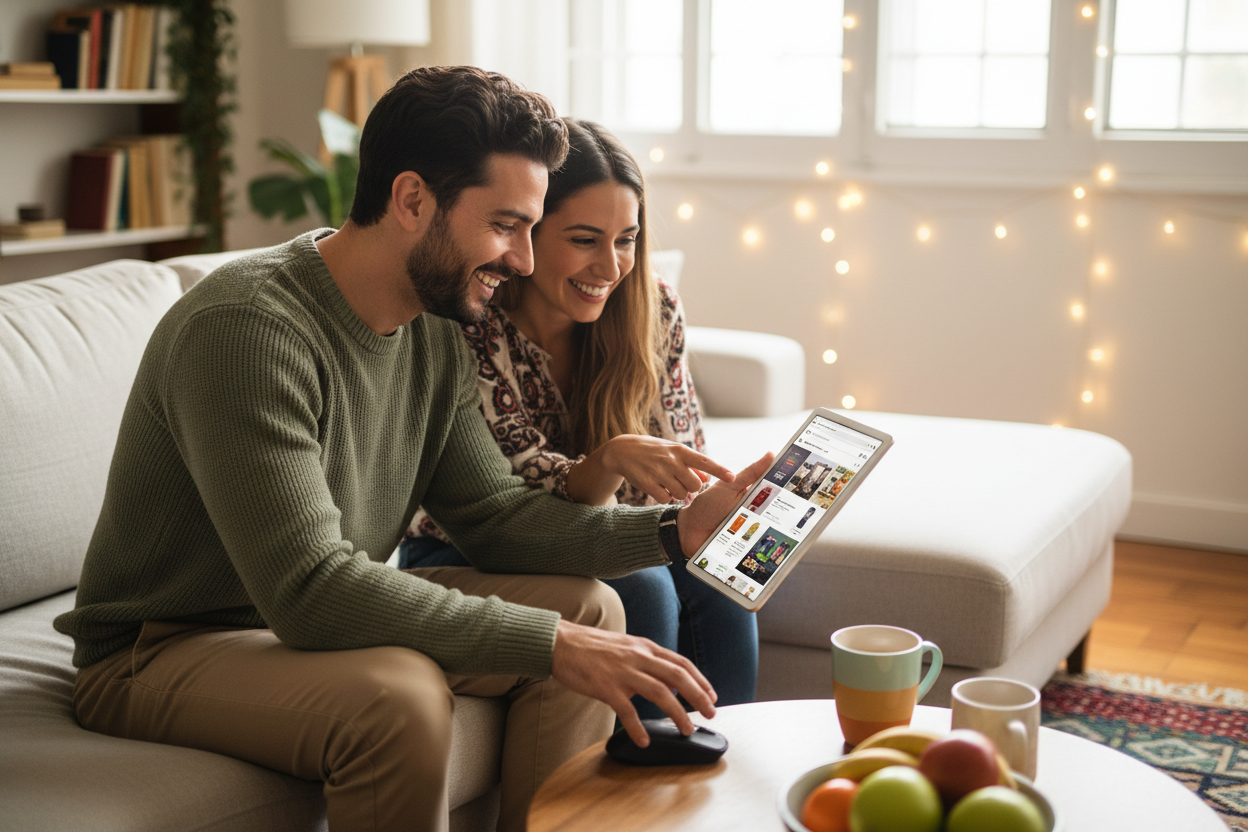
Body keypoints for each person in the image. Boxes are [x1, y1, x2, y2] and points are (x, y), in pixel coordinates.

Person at [52, 66, 770, 832]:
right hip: (161, 648)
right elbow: (310, 590)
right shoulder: (246, 328)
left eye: (530, 228)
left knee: (591, 607)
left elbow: (496, 518)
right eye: (504, 225)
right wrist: (549, 644)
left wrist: (674, 532)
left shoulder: (434, 328)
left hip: (281, 622)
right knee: (401, 699)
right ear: (411, 200)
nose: (524, 260)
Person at [402, 119, 759, 718]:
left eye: (627, 239)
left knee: (719, 577)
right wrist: (608, 463)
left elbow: (680, 464)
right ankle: (632, 780)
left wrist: (722, 513)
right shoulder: (470, 322)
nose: (611, 267)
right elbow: (514, 507)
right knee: (640, 583)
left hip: (604, 530)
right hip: (469, 549)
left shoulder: (654, 307)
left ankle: (720, 778)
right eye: (585, 239)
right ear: (528, 232)